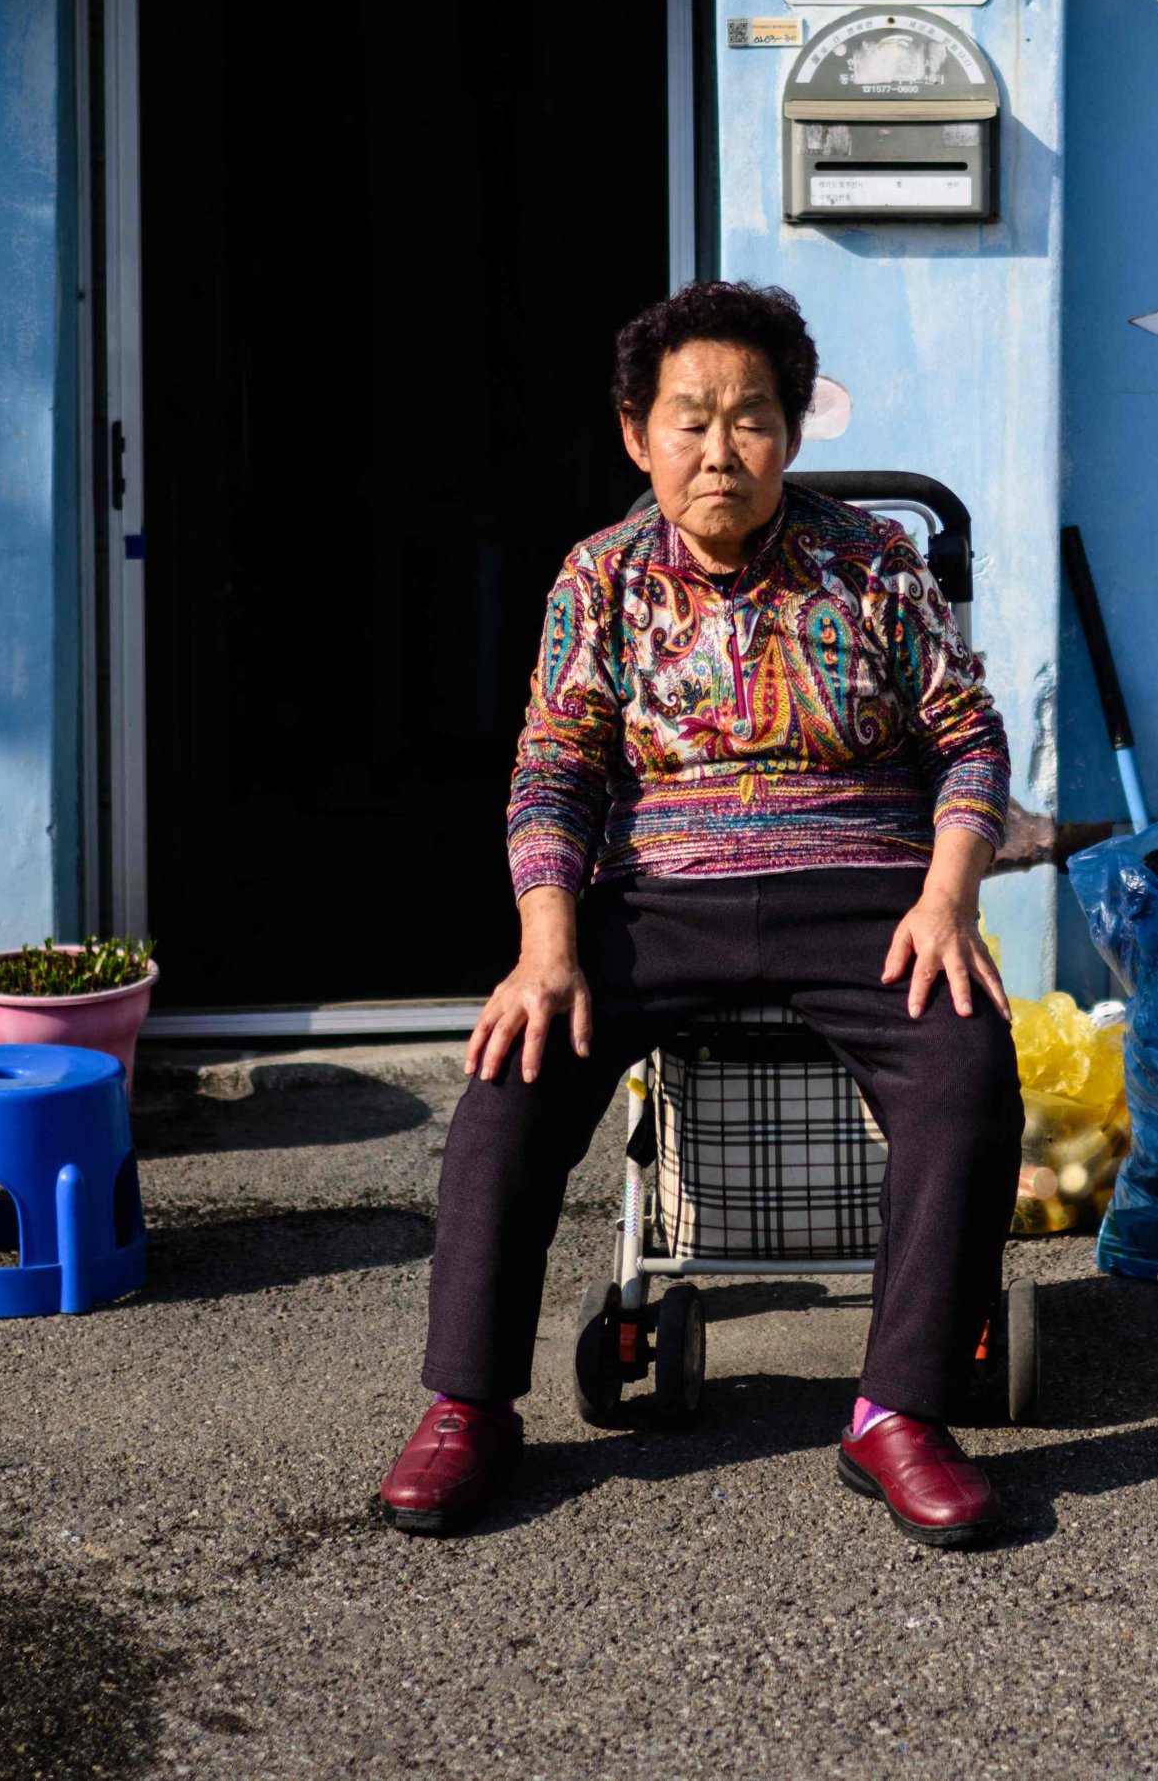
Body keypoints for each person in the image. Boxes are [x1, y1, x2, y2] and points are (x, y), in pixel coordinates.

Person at [373, 279, 1022, 1545]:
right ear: (637, 433)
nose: (721, 449)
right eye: (691, 420)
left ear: (791, 430)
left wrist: (949, 898)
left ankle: (899, 1411)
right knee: (511, 1074)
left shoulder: (874, 564)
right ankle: (469, 1406)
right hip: (660, 895)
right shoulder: (598, 578)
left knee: (965, 1064)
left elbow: (969, 742)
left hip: (865, 894)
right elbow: (554, 766)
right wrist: (545, 949)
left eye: (753, 417)